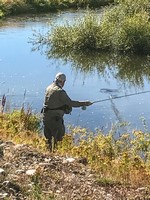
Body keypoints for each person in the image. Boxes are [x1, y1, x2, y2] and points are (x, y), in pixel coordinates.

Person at [42, 72, 93, 150]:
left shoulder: (48, 88)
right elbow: (71, 103)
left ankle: (48, 154)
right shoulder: (60, 92)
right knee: (59, 140)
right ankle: (56, 157)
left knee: (48, 140)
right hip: (55, 119)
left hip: (46, 117)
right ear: (63, 82)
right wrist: (85, 103)